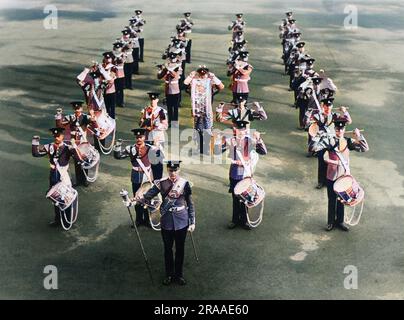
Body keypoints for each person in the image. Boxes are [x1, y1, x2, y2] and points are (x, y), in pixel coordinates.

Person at [138, 161, 195, 286]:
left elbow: (190, 203)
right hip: (167, 221)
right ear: (167, 170)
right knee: (167, 249)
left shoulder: (184, 184)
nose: (173, 173)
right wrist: (135, 200)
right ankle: (169, 274)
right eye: (170, 170)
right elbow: (148, 196)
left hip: (182, 221)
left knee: (180, 249)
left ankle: (179, 275)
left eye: (175, 170)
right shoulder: (161, 183)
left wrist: (192, 221)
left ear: (179, 170)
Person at [315, 117, 369, 231]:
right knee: (332, 199)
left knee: (342, 200)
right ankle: (330, 222)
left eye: (342, 129)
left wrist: (358, 136)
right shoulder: (329, 141)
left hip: (343, 177)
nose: (339, 131)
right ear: (334, 129)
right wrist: (319, 137)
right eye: (337, 129)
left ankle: (340, 221)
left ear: (344, 130)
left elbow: (364, 148)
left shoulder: (348, 141)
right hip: (331, 176)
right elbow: (315, 149)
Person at [215, 120, 267, 230]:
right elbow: (217, 152)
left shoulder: (251, 141)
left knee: (246, 198)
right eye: (240, 130)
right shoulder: (231, 140)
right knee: (235, 197)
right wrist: (219, 140)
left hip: (246, 173)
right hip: (235, 173)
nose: (242, 132)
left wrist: (259, 139)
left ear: (246, 130)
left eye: (244, 130)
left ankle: (244, 220)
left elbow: (263, 152)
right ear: (235, 130)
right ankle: (234, 220)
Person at [32, 127, 79, 226]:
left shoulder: (67, 147)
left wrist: (74, 144)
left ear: (62, 136)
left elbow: (77, 158)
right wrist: (35, 141)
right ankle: (58, 219)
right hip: (54, 176)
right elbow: (36, 154)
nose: (57, 138)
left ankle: (68, 219)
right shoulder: (50, 147)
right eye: (55, 136)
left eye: (59, 136)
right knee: (56, 199)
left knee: (67, 198)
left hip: (64, 176)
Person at [114, 128, 158, 226]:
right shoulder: (130, 148)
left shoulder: (150, 148)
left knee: (148, 198)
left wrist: (157, 146)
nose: (139, 139)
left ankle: (147, 220)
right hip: (136, 176)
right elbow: (118, 156)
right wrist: (117, 145)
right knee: (137, 198)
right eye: (137, 137)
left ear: (144, 137)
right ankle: (138, 220)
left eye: (141, 137)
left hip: (147, 176)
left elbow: (158, 159)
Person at [55, 101, 99, 187]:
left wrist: (93, 116)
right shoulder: (70, 117)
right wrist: (59, 115)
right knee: (77, 161)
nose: (77, 110)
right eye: (75, 109)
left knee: (85, 160)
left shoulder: (85, 117)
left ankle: (85, 179)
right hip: (74, 142)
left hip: (83, 142)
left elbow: (95, 125)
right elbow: (59, 126)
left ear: (81, 109)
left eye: (78, 108)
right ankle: (79, 180)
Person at [183, 65, 224, 154]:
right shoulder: (194, 83)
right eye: (200, 74)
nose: (202, 76)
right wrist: (190, 76)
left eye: (204, 73)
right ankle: (199, 147)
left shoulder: (210, 83)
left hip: (207, 111)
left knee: (208, 130)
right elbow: (183, 86)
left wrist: (214, 77)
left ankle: (206, 147)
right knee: (198, 130)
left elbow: (221, 86)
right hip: (197, 111)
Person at [139, 92, 168, 181]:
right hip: (148, 139)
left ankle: (158, 180)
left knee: (158, 161)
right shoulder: (145, 110)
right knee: (148, 161)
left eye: (154, 99)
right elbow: (141, 125)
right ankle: (149, 181)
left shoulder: (161, 111)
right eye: (151, 99)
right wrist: (143, 123)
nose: (153, 101)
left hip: (158, 139)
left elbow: (165, 126)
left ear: (157, 100)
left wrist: (156, 125)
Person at [157, 57, 182, 127]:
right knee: (169, 108)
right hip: (168, 92)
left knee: (175, 108)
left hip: (175, 92)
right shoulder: (167, 70)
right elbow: (159, 76)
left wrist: (167, 68)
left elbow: (173, 75)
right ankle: (170, 121)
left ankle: (175, 122)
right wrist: (160, 70)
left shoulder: (177, 69)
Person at [101, 51, 117, 119]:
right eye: (106, 58)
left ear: (111, 59)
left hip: (111, 91)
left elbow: (111, 78)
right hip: (102, 90)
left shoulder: (113, 67)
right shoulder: (101, 66)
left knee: (111, 108)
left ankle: (112, 120)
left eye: (109, 58)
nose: (107, 60)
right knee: (104, 107)